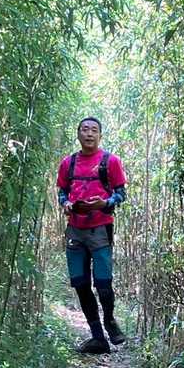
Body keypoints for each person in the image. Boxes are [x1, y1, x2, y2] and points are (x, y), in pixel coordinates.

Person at [57, 117, 128, 354]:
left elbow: (121, 194)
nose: (89, 134)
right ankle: (98, 337)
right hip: (75, 229)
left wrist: (104, 202)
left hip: (100, 228)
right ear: (78, 134)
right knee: (80, 283)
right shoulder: (68, 163)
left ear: (100, 135)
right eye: (85, 129)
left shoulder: (110, 161)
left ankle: (110, 321)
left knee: (103, 283)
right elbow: (62, 192)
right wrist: (66, 203)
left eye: (94, 130)